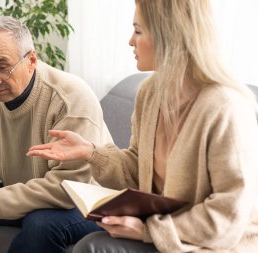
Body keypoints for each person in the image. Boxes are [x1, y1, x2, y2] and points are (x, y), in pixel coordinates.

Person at [27, 0, 258, 252]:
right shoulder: (150, 93)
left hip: (214, 243)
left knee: (93, 247)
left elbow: (230, 214)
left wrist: (150, 230)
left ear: (168, 34)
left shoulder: (225, 108)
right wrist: (90, 152)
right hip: (165, 233)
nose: (130, 41)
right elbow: (137, 171)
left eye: (138, 31)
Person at [0, 15, 113, 253]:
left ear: (31, 60)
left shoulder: (71, 98)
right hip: (26, 194)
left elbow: (67, 187)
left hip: (87, 201)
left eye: (2, 67)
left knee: (41, 224)